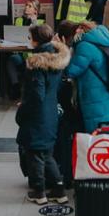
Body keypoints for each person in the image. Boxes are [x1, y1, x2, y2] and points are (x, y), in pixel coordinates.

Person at [16, 24, 71, 205]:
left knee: (34, 153)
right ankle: (59, 189)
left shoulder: (37, 64)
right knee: (46, 153)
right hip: (51, 113)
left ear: (37, 40)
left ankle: (39, 192)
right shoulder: (57, 59)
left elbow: (36, 95)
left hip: (37, 116)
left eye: (30, 37)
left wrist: (23, 107)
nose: (29, 40)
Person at [59, 20, 109, 132]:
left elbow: (70, 71)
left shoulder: (84, 46)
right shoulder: (101, 39)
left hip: (97, 102)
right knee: (107, 141)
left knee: (98, 143)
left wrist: (61, 48)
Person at [7, 0, 45, 100]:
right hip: (21, 54)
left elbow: (40, 39)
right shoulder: (19, 20)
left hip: (34, 56)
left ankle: (30, 91)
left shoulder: (41, 22)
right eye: (26, 5)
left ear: (35, 10)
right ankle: (15, 87)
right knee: (12, 59)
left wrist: (33, 22)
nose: (26, 8)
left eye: (29, 6)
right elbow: (14, 35)